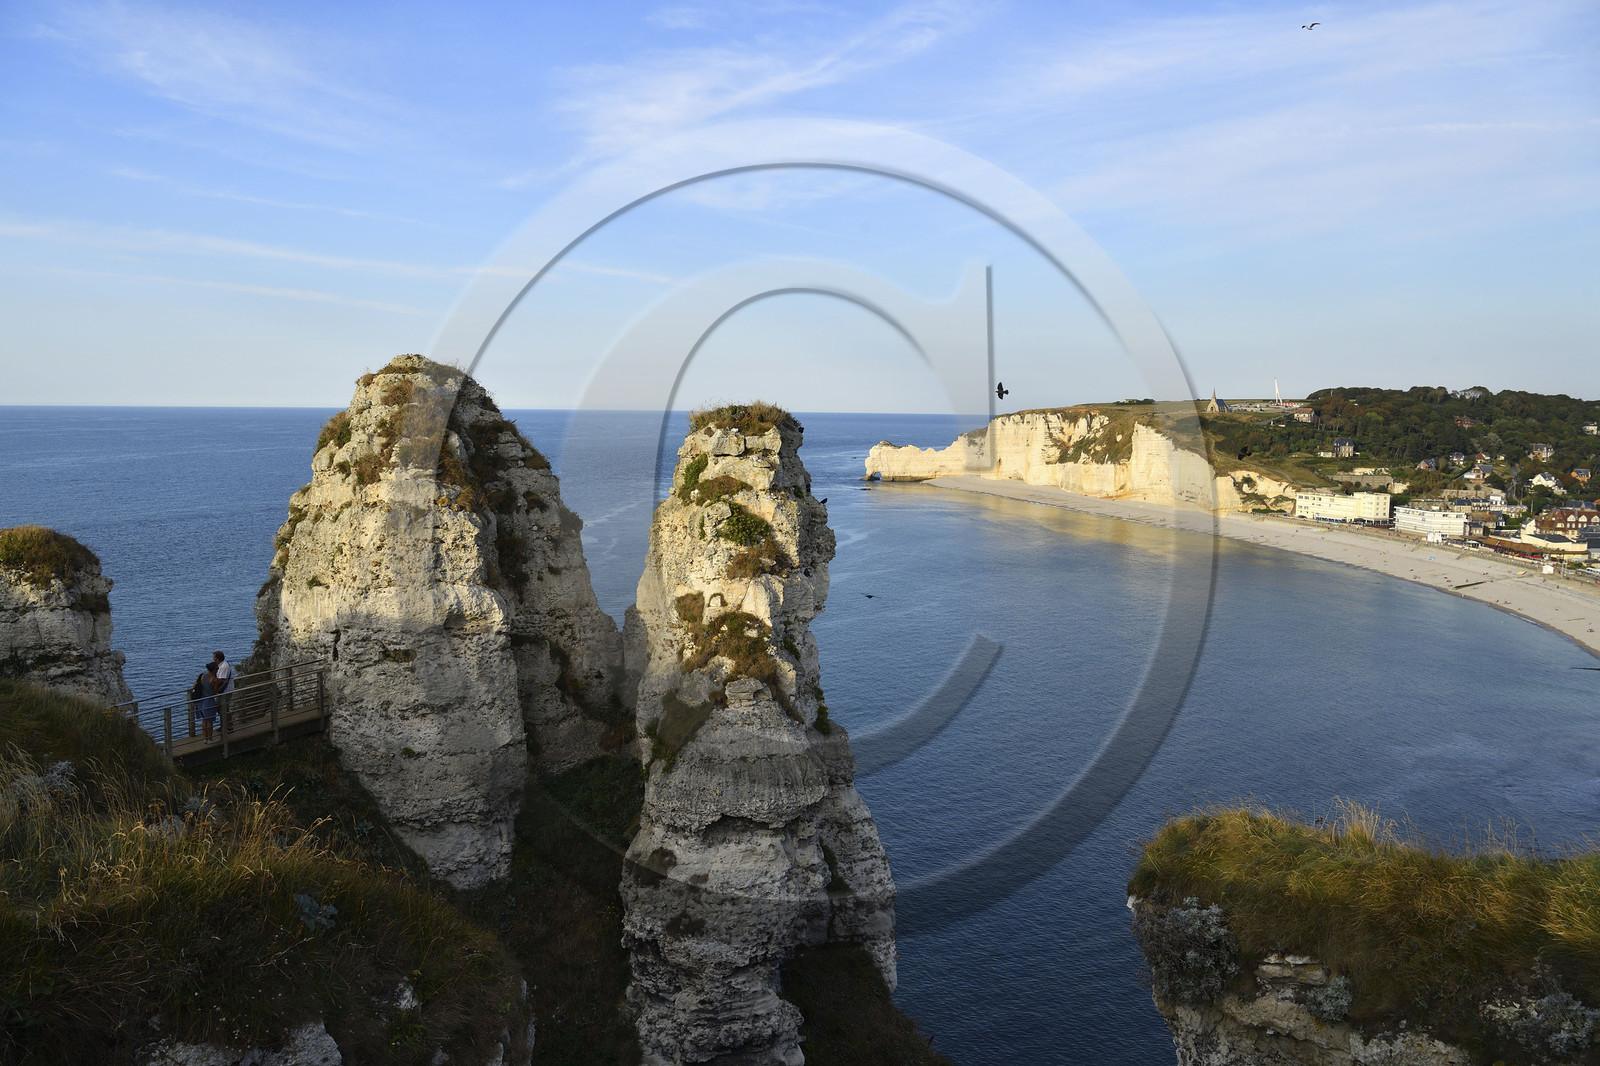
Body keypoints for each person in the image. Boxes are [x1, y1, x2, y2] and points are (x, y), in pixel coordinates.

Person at [192, 662, 219, 743]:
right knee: (209, 721)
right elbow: (215, 692)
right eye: (217, 668)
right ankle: (210, 739)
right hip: (209, 701)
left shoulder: (202, 676)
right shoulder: (214, 679)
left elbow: (195, 686)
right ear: (214, 669)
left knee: (204, 720)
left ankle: (205, 738)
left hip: (200, 701)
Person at [213, 651, 235, 730]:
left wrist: (217, 690)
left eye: (214, 657)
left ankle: (228, 726)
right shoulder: (223, 665)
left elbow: (222, 681)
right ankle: (225, 724)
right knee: (220, 707)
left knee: (224, 708)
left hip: (225, 691)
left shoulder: (223, 667)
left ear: (217, 659)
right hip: (224, 691)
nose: (213, 659)